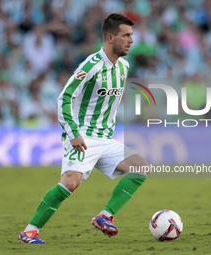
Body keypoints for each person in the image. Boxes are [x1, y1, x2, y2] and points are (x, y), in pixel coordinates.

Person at [18, 13, 149, 244]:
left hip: (106, 139)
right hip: (83, 137)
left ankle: (104, 216)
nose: (131, 40)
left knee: (141, 167)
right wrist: (73, 133)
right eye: (125, 35)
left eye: (131, 35)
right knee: (70, 183)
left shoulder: (124, 67)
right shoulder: (91, 66)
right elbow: (64, 98)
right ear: (110, 38)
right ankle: (30, 231)